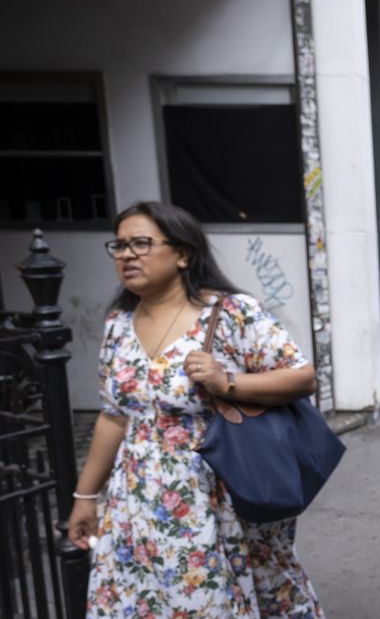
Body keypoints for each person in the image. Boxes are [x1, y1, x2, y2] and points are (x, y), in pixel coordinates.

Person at [67, 201, 323, 618]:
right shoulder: (118, 323)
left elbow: (301, 377)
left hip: (214, 496)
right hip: (135, 501)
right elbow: (113, 415)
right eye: (119, 246)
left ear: (183, 253)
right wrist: (84, 497)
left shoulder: (230, 314)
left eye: (141, 243)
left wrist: (228, 383)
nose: (127, 254)